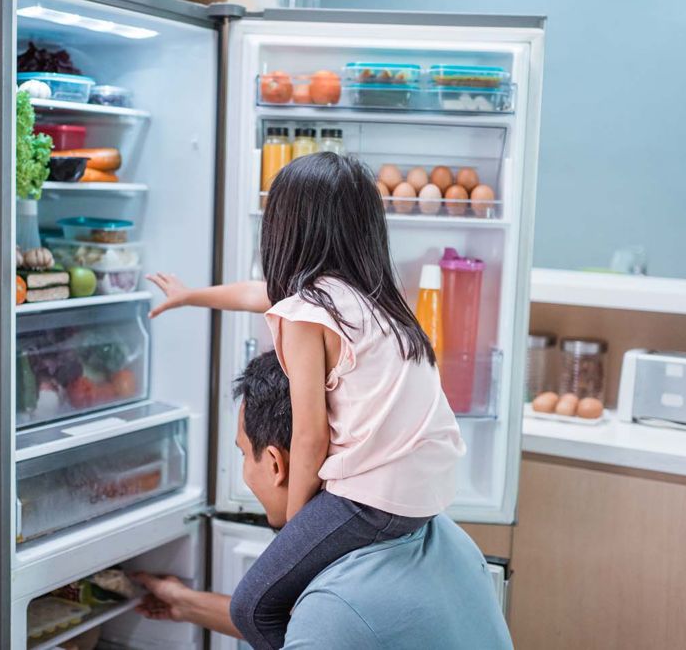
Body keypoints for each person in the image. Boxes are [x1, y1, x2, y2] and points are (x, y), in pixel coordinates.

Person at [146, 152, 466, 648]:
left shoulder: (306, 314)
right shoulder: (373, 299)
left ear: (284, 229)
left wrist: (294, 525)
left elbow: (310, 433)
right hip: (425, 495)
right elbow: (260, 293)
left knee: (254, 606)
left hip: (372, 497)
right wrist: (192, 296)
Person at [134, 351, 512, 649]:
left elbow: (327, 622)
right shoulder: (438, 533)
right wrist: (184, 602)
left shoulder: (333, 611)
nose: (244, 472)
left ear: (275, 464)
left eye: (243, 454)